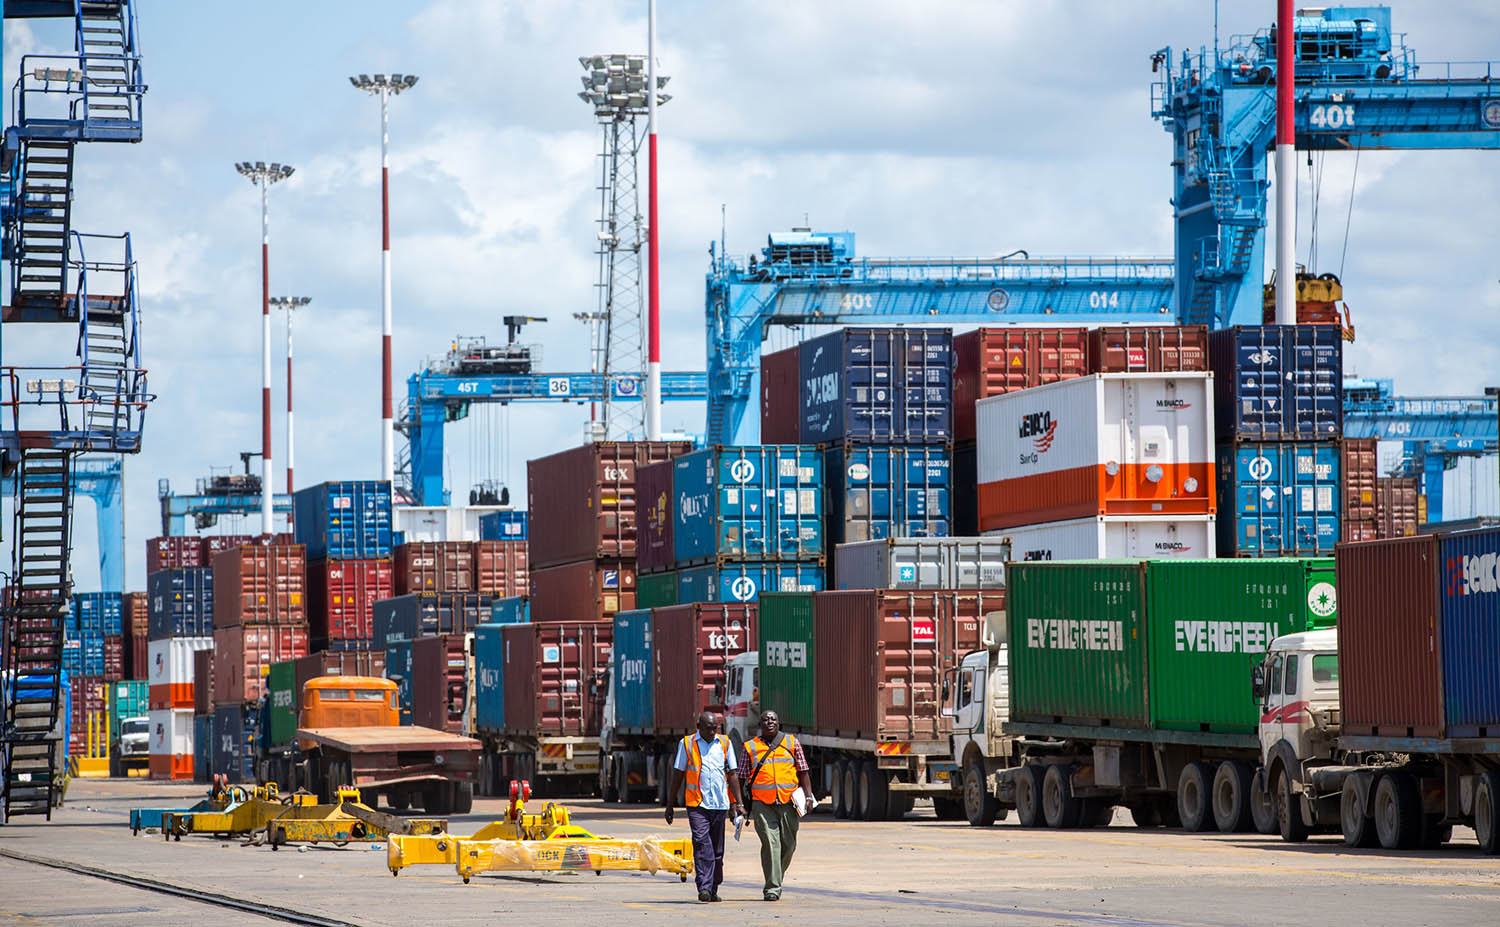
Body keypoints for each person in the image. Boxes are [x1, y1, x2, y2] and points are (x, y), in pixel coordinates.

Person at [738, 710, 816, 901]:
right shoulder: (750, 747)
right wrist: (737, 803)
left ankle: (776, 877)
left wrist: (808, 797)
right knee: (771, 843)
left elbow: (803, 771)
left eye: (773, 719)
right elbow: (740, 777)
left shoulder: (791, 742)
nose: (769, 722)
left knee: (788, 845)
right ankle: (772, 888)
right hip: (762, 804)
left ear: (779, 723)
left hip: (788, 802)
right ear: (760, 724)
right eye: (765, 720)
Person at [665, 711, 743, 902]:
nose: (712, 732)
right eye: (708, 728)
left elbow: (732, 774)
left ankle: (714, 887)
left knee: (717, 851)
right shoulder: (687, 744)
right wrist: (670, 804)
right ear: (698, 726)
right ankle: (704, 888)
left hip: (719, 804)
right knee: (702, 844)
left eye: (715, 728)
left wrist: (738, 803)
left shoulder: (724, 743)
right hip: (697, 804)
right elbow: (678, 774)